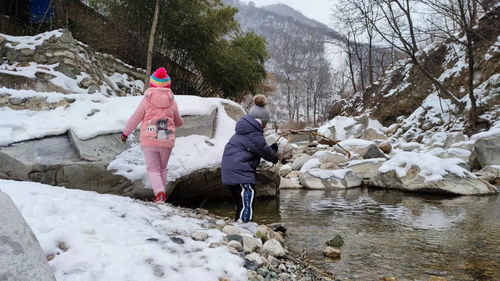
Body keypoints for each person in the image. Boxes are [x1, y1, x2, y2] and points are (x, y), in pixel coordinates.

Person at [121, 67, 183, 203]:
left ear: (151, 83)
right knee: (162, 168)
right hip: (166, 139)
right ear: (168, 85)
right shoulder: (172, 101)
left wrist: (125, 133)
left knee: (153, 169)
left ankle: (159, 194)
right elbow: (178, 122)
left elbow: (135, 118)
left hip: (149, 139)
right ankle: (162, 194)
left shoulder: (146, 100)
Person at [221, 95, 279, 224]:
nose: (265, 127)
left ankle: (238, 222)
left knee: (239, 200)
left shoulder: (244, 130)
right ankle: (246, 224)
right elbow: (263, 150)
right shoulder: (254, 133)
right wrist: (274, 157)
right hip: (241, 172)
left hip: (230, 170)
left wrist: (271, 149)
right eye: (265, 124)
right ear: (261, 122)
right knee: (248, 197)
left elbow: (257, 148)